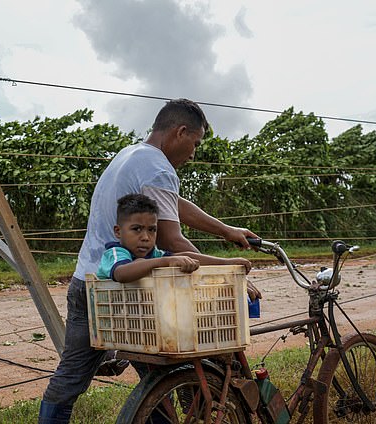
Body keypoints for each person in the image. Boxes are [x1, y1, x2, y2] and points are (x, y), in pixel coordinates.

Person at [39, 98, 261, 423]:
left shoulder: (132, 155)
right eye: (195, 143)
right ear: (180, 132)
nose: (194, 153)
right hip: (134, 293)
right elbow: (173, 241)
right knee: (176, 370)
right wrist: (230, 272)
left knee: (73, 379)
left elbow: (172, 205)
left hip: (90, 285)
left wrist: (227, 231)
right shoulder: (158, 168)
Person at [96, 193, 251, 283]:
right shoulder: (116, 252)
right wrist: (166, 262)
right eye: (136, 229)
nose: (145, 237)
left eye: (152, 230)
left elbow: (185, 256)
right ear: (118, 231)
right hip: (115, 325)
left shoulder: (154, 254)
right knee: (140, 263)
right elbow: (121, 273)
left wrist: (226, 263)